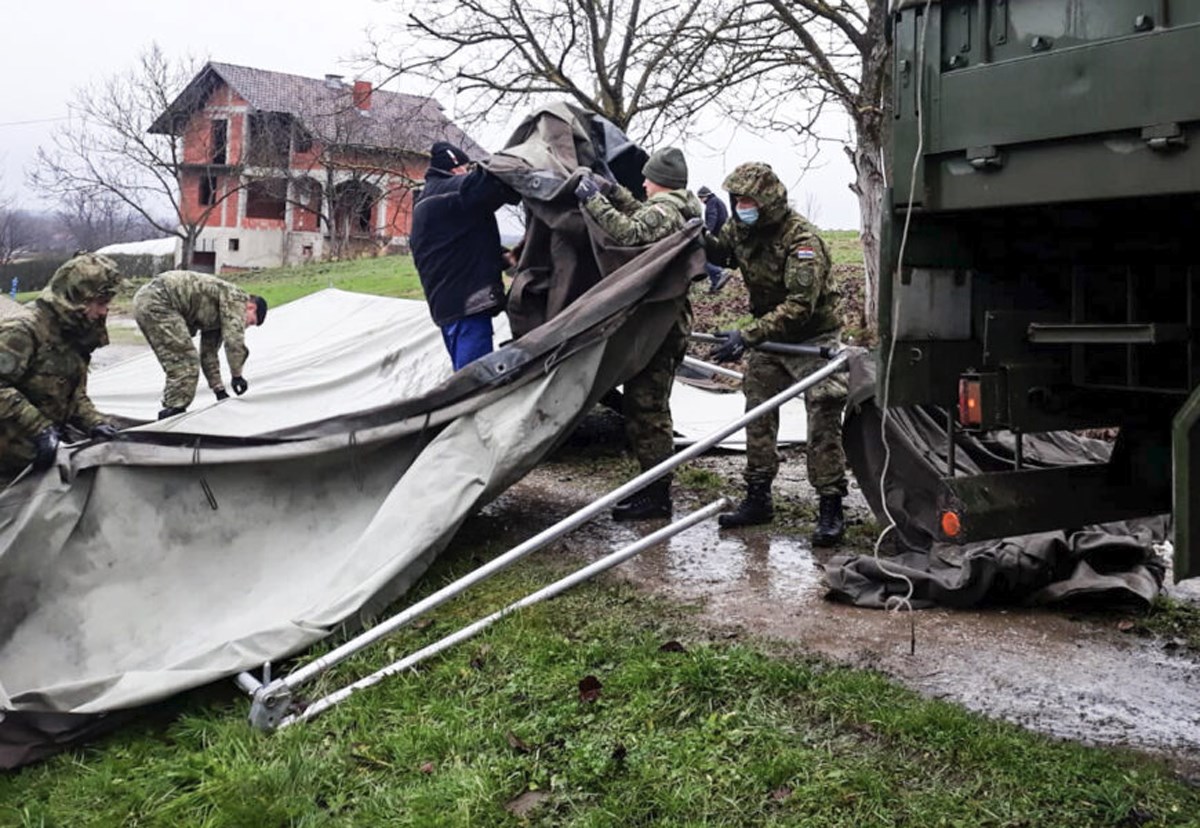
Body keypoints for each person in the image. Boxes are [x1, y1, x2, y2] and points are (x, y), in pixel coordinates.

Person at [706, 162, 848, 546]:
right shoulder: (740, 228)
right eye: (735, 201)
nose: (740, 207)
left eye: (747, 201)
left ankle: (831, 506)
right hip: (769, 341)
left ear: (767, 201)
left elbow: (800, 305)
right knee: (757, 408)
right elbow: (722, 253)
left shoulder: (802, 242)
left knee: (823, 410)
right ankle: (758, 497)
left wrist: (747, 334)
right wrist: (704, 233)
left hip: (810, 338)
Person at [575, 146, 703, 520]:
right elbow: (642, 216)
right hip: (667, 322)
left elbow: (630, 233)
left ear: (661, 182)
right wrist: (614, 192)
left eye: (648, 178)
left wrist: (593, 202)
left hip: (661, 327)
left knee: (647, 408)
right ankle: (652, 486)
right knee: (645, 404)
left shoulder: (667, 210)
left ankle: (657, 494)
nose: (643, 183)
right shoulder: (678, 207)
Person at [0, 253, 123, 480]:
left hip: (39, 464)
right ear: (77, 299)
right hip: (7, 463)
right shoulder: (23, 332)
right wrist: (39, 428)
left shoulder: (74, 335)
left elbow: (74, 396)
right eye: (101, 303)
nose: (105, 311)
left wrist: (94, 422)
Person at [410, 140, 519, 371]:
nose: (467, 172)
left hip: (447, 308)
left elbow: (458, 248)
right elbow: (485, 184)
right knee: (476, 383)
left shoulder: (425, 202)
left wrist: (506, 259)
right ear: (456, 167)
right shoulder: (453, 190)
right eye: (466, 168)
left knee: (465, 375)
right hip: (467, 305)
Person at [133, 271, 266, 420]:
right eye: (252, 322)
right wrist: (237, 376)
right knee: (185, 362)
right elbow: (234, 342)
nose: (247, 326)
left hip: (150, 301)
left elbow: (208, 355)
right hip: (160, 300)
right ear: (250, 307)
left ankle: (172, 411)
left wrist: (219, 390)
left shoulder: (220, 314)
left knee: (181, 361)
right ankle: (172, 414)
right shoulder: (237, 299)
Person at [697, 185, 733, 293]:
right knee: (713, 258)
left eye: (700, 198)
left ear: (705, 196)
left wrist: (708, 231)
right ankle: (715, 284)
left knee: (703, 257)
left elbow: (713, 216)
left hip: (715, 235)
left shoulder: (711, 203)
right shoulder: (718, 201)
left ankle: (719, 273)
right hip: (722, 234)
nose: (701, 201)